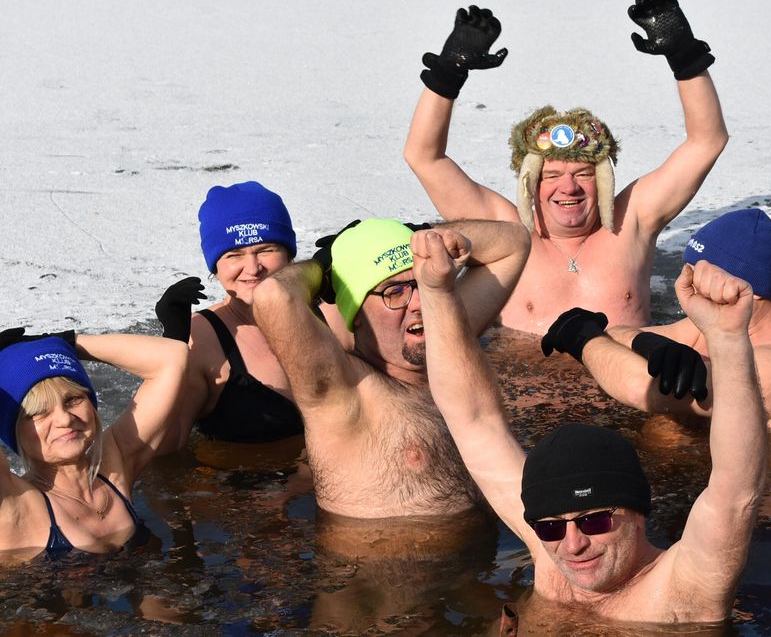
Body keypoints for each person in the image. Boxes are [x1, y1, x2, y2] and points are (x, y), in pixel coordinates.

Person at [414, 226, 767, 624]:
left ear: (638, 512)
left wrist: (727, 337)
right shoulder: (554, 558)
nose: (574, 545)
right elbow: (474, 420)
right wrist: (437, 292)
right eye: (548, 529)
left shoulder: (681, 591)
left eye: (595, 520)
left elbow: (736, 490)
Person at [403, 0, 730, 334]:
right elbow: (425, 157)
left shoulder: (631, 222)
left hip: (628, 383)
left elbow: (707, 142)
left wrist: (684, 56)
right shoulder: (504, 231)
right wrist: (448, 72)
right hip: (520, 381)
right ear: (530, 182)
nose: (568, 187)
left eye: (584, 173)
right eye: (552, 174)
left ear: (604, 177)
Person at [250, 217, 530, 519]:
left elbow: (513, 242)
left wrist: (431, 239)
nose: (418, 303)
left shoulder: (449, 339)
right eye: (394, 292)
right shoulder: (342, 389)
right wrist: (322, 269)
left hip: (488, 560)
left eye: (421, 283)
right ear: (356, 313)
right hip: (377, 563)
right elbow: (272, 296)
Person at [544, 208, 771, 427]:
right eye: (687, 269)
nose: (685, 282)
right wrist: (650, 344)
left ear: (748, 289)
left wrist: (585, 338)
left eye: (699, 274)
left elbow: (639, 387)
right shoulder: (705, 328)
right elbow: (617, 334)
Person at [150, 180, 348, 447]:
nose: (253, 268)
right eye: (234, 254)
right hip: (248, 486)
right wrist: (172, 348)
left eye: (265, 250)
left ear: (289, 254)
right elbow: (161, 446)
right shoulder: (202, 338)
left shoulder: (330, 312)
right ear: (215, 266)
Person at [0, 328, 188, 562]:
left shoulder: (114, 467)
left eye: (73, 399)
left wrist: (66, 343)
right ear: (13, 429)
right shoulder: (15, 502)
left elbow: (173, 357)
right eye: (38, 412)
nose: (65, 419)